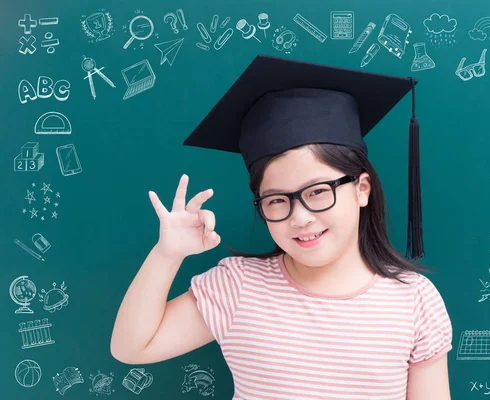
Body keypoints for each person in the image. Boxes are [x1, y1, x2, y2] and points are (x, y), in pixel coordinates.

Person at [111, 55, 453, 400]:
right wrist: (167, 254)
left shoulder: (413, 299)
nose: (300, 216)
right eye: (277, 200)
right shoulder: (238, 286)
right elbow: (133, 348)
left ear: (361, 189)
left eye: (318, 192)